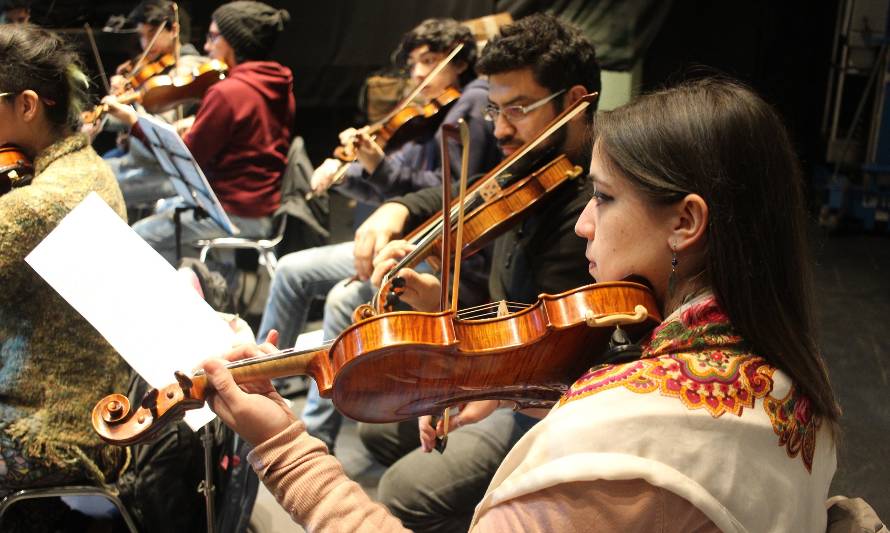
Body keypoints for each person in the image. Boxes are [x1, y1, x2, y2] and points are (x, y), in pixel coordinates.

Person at [202, 76, 845, 532]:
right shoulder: (792, 369)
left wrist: (284, 446)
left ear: (686, 222)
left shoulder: (614, 442)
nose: (584, 225)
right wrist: (523, 388)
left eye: (605, 199)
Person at [353, 13, 599, 531]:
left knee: (401, 489)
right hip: (503, 366)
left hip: (545, 403)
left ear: (575, 102)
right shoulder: (527, 169)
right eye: (494, 110)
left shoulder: (588, 213)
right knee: (376, 428)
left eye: (518, 109)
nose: (502, 129)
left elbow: (553, 355)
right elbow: (472, 197)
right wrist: (396, 211)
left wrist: (466, 380)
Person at [255, 18, 500, 449]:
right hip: (405, 238)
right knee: (293, 271)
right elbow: (394, 179)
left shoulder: (472, 103)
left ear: (459, 61)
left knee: (336, 296)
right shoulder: (436, 110)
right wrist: (346, 173)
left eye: (430, 61)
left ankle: (311, 437)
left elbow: (443, 191)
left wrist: (379, 167)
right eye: (414, 63)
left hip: (432, 246)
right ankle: (263, 386)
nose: (420, 73)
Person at [0, 20, 130, 512]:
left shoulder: (37, 204)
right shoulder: (89, 167)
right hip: (92, 407)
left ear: (27, 105)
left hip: (52, 433)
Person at [105, 0, 294, 266]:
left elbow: (186, 160)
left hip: (234, 212)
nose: (207, 46)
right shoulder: (278, 82)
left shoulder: (228, 92)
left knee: (140, 235)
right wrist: (198, 122)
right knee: (163, 209)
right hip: (262, 206)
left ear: (235, 42)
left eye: (214, 36)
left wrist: (133, 121)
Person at [99, 0, 206, 212]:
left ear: (174, 29)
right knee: (92, 169)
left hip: (163, 166)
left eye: (151, 34)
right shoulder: (151, 68)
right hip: (139, 156)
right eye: (141, 35)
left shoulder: (189, 68)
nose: (145, 42)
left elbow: (160, 127)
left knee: (95, 185)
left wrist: (128, 111)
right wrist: (115, 101)